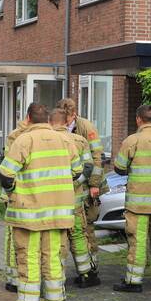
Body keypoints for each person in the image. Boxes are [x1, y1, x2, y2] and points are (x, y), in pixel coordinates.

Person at [0, 103, 81, 301]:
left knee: (29, 258)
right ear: (47, 119)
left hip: (30, 215)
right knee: (53, 258)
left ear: (28, 118)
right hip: (58, 214)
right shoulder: (65, 140)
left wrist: (13, 191)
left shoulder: (24, 140)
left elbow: (6, 174)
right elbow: (78, 170)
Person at [112, 104, 151, 293]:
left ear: (138, 119)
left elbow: (119, 168)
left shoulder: (132, 141)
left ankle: (134, 281)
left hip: (138, 204)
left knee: (138, 242)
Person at [50, 108, 100, 287]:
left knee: (58, 238)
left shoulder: (44, 141)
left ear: (50, 122)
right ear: (67, 122)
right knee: (78, 234)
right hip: (75, 200)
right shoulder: (80, 140)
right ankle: (86, 274)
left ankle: (57, 278)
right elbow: (88, 166)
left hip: (53, 201)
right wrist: (75, 183)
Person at [57, 98, 104, 259]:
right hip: (71, 181)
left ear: (74, 115)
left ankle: (92, 262)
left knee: (86, 223)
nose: (65, 122)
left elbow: (97, 156)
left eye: (67, 119)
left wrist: (94, 184)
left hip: (88, 181)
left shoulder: (87, 127)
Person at [1, 115, 30, 292]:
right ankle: (15, 277)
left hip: (18, 193)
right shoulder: (18, 136)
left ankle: (15, 277)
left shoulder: (17, 135)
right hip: (18, 194)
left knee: (14, 236)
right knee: (15, 236)